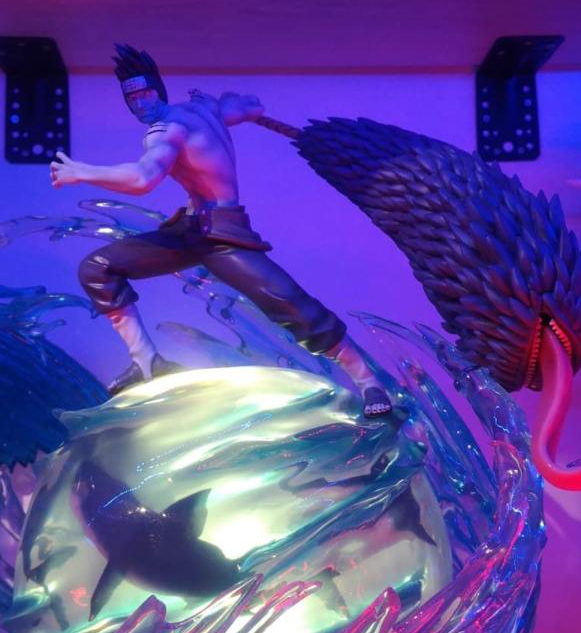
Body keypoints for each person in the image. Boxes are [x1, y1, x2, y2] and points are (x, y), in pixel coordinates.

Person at [49, 45, 390, 414]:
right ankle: (146, 361)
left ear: (158, 90)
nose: (140, 104)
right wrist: (242, 105)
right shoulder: (203, 107)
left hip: (223, 234)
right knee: (97, 268)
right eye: (132, 98)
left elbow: (143, 178)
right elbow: (247, 106)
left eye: (145, 94)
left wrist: (83, 172)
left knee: (288, 301)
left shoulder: (166, 131)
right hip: (189, 229)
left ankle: (369, 383)